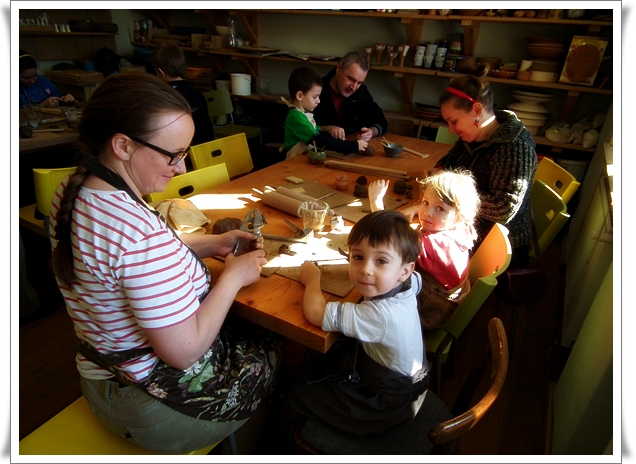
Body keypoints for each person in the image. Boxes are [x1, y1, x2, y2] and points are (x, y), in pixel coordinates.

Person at [49, 73, 281, 454]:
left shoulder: (78, 191)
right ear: (123, 145)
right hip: (152, 410)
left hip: (101, 380)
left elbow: (129, 261)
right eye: (173, 155)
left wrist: (212, 243)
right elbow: (184, 351)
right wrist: (233, 277)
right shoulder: (138, 235)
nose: (182, 168)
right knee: (273, 347)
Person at [289, 210, 430, 436]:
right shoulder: (410, 281)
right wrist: (382, 271)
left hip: (386, 404)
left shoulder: (379, 316)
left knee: (299, 389)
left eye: (381, 261)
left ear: (404, 271)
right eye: (358, 257)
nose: (366, 270)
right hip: (409, 383)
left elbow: (315, 313)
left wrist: (312, 279)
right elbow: (412, 279)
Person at [435, 63, 537, 268]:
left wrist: (449, 195)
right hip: (466, 227)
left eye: (453, 121)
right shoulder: (471, 137)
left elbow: (503, 208)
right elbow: (446, 163)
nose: (451, 130)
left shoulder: (513, 146)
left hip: (497, 245)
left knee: (419, 253)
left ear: (477, 109)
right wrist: (439, 175)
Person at [368, 170, 480, 329]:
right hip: (446, 304)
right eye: (425, 202)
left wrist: (376, 203)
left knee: (371, 283)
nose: (427, 213)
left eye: (440, 208)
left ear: (458, 217)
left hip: (428, 315)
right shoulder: (461, 228)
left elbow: (391, 239)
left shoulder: (435, 243)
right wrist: (416, 208)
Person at [282, 66, 368, 157]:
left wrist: (330, 131)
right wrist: (354, 146)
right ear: (300, 95)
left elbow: (319, 134)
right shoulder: (297, 117)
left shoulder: (303, 114)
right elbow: (319, 141)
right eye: (315, 97)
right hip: (294, 159)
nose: (318, 101)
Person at [312, 51, 388, 143]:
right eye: (351, 79)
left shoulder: (361, 92)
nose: (354, 87)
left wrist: (371, 132)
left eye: (359, 83)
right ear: (339, 68)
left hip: (352, 148)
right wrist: (327, 129)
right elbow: (301, 128)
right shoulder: (314, 91)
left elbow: (381, 121)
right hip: (320, 148)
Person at [151, 43, 215, 146]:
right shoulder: (196, 93)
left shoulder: (166, 96)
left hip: (187, 151)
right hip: (207, 149)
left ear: (160, 72)